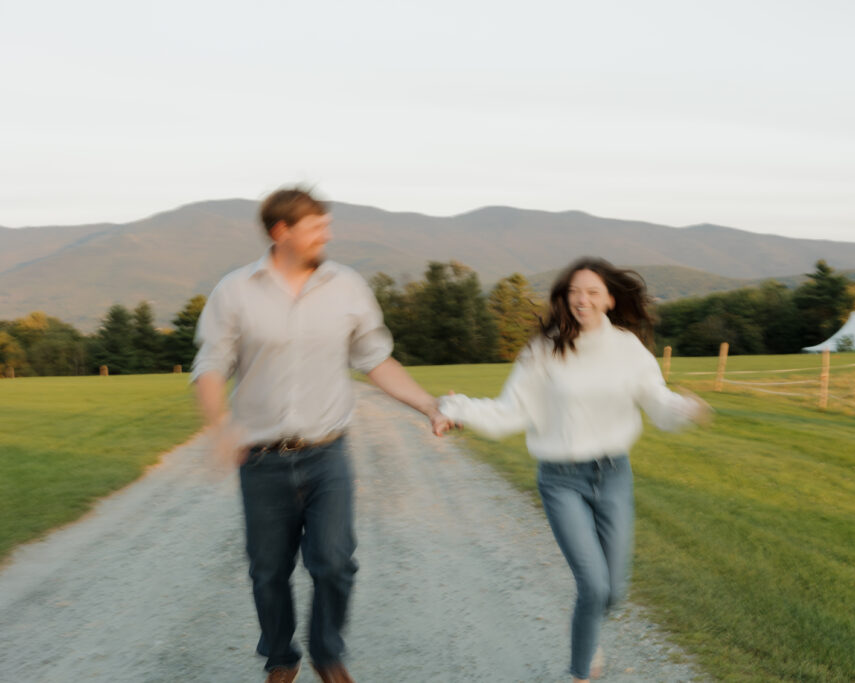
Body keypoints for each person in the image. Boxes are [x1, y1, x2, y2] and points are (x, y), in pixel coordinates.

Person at [192, 186, 453, 683]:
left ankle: (327, 654)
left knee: (334, 563)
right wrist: (220, 427)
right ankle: (281, 660)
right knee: (267, 572)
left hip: (326, 453)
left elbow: (375, 358)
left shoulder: (347, 286)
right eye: (315, 227)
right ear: (280, 232)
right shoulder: (235, 291)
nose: (326, 234)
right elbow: (210, 366)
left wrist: (427, 404)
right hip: (261, 458)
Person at [440, 257, 710, 682]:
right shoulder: (544, 349)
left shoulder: (627, 348)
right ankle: (580, 673)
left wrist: (685, 408)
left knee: (613, 591)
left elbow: (657, 401)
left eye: (592, 292)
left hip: (615, 475)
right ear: (564, 298)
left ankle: (589, 633)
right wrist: (456, 408)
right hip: (561, 481)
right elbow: (511, 410)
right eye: (574, 292)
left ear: (609, 299)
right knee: (594, 586)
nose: (582, 300)